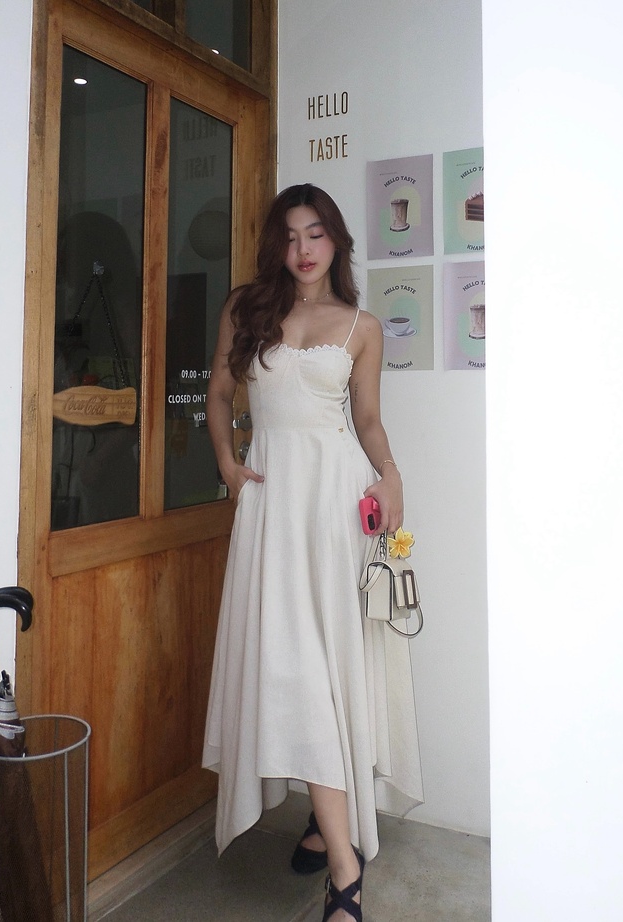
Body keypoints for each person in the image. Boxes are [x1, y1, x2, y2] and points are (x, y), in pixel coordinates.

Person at [203, 183, 423, 922]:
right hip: (272, 508)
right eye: (291, 235)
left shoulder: (361, 326)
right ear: (277, 243)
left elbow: (367, 419)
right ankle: (338, 847)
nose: (303, 249)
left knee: (326, 669)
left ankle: (338, 860)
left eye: (317, 234)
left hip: (334, 509)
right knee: (291, 667)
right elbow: (220, 394)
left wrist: (391, 475)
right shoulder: (245, 308)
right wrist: (229, 465)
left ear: (337, 242)